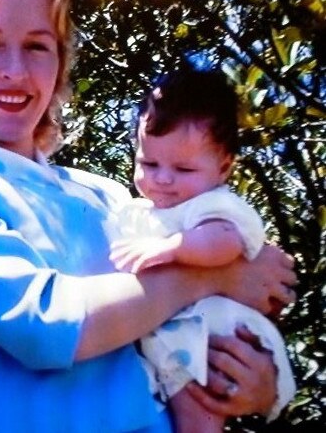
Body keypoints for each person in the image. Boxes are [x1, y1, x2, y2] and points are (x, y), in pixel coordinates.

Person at [0, 0, 296, 432]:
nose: (15, 70)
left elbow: (219, 310)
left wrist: (261, 380)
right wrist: (217, 273)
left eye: (38, 46)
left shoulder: (105, 194)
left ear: (60, 64)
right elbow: (44, 324)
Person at [110, 69, 297, 432]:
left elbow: (223, 242)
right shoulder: (137, 212)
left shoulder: (214, 205)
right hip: (181, 333)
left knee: (197, 409)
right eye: (148, 163)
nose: (162, 178)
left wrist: (168, 250)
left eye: (183, 168)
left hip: (217, 331)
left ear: (224, 167)